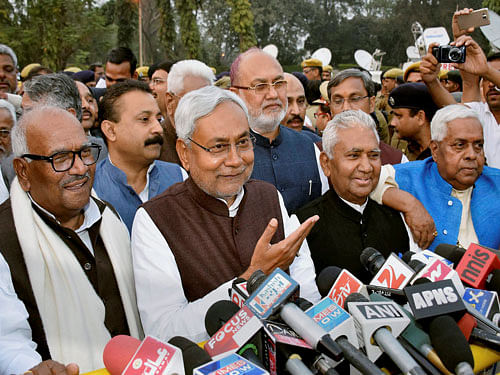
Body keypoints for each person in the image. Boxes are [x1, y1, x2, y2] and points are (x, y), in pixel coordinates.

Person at [132, 86, 320, 342]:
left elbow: (302, 279)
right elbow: (164, 330)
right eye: (218, 147)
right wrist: (249, 280)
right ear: (185, 153)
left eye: (243, 143)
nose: (235, 160)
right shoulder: (155, 219)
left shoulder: (267, 195)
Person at [0, 106, 142, 371]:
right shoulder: (5, 237)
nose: (80, 168)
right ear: (23, 171)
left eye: (85, 153)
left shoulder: (108, 217)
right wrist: (31, 367)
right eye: (60, 158)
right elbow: (6, 339)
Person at [296, 110, 414, 281]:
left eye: (373, 156)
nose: (366, 167)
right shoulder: (303, 225)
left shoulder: (399, 216)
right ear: (326, 163)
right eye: (354, 156)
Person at [373, 104, 500, 250]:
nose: (472, 154)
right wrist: (411, 205)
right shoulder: (413, 176)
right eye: (460, 145)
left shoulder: (495, 182)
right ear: (435, 149)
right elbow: (367, 180)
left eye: (478, 145)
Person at [230, 48, 329, 213]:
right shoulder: (225, 155)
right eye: (260, 86)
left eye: (278, 83)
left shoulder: (310, 148)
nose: (273, 94)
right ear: (236, 94)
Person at [95, 80, 185, 232]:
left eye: (158, 119)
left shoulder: (179, 178)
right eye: (144, 119)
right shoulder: (92, 191)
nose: (158, 129)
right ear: (110, 130)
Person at [327, 68, 405, 164]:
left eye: (355, 99)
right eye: (338, 101)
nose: (346, 108)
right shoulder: (315, 155)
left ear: (371, 104)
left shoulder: (396, 160)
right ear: (330, 108)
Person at [389, 82, 438, 160]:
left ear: (420, 117)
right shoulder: (407, 148)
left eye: (398, 116)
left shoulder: (441, 155)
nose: (392, 123)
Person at [165, 59, 215, 128]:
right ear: (170, 102)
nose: (201, 111)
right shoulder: (155, 137)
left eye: (206, 103)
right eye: (193, 101)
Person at [281, 72, 320, 140]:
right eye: (287, 103)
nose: (296, 111)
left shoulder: (317, 145)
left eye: (300, 101)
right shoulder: (256, 148)